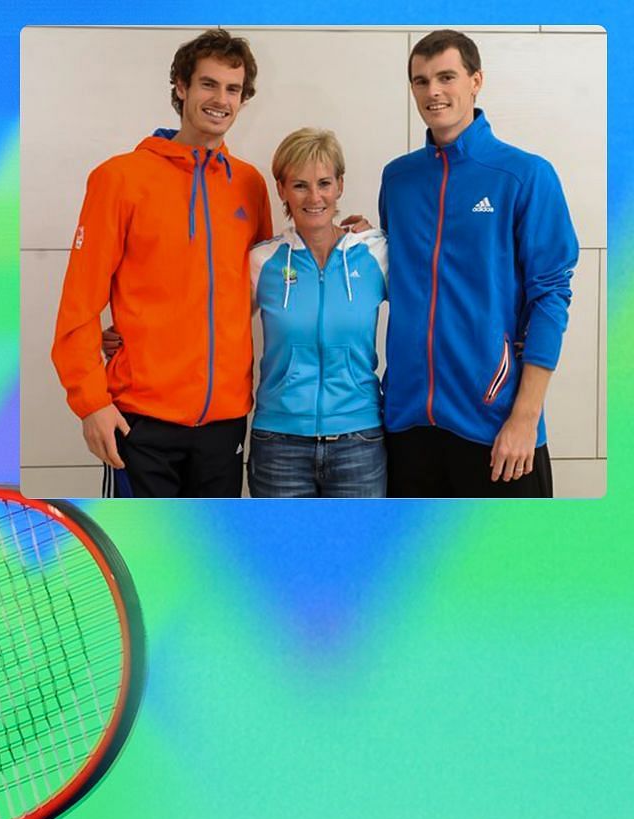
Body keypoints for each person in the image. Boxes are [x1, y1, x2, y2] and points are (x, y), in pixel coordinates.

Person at [50, 29, 273, 498]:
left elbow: (260, 286)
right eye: (208, 84)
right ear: (180, 86)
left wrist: (338, 235)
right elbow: (79, 303)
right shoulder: (120, 179)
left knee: (210, 565)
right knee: (144, 559)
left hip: (225, 422)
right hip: (140, 423)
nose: (220, 100)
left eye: (233, 89)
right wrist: (91, 403)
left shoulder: (249, 186)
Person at [378, 28, 578, 496]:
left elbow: (550, 297)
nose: (433, 91)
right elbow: (399, 267)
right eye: (421, 80)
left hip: (497, 428)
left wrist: (525, 418)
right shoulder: (398, 179)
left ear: (475, 81)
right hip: (408, 426)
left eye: (446, 76)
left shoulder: (525, 175)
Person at [245, 128, 390, 497]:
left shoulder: (375, 254)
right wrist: (129, 336)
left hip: (359, 440)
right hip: (279, 442)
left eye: (324, 183)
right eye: (300, 185)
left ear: (340, 185)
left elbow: (436, 306)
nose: (314, 197)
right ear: (281, 189)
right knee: (281, 556)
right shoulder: (262, 261)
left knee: (359, 556)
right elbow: (209, 326)